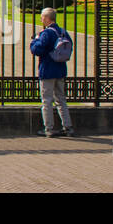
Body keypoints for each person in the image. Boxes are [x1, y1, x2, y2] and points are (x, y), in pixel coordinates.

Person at [29, 7, 74, 137]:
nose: (41, 19)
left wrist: (35, 40)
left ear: (47, 18)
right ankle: (68, 127)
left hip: (47, 70)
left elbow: (37, 49)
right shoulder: (62, 32)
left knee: (47, 100)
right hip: (60, 69)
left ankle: (49, 128)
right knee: (61, 99)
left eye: (42, 17)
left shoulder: (46, 33)